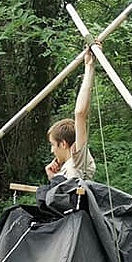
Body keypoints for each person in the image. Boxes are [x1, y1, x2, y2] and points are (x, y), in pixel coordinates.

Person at [45, 48, 97, 182]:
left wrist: (89, 66)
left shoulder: (79, 161)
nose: (52, 150)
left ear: (63, 144)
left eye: (52, 144)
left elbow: (80, 114)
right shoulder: (65, 169)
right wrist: (52, 177)